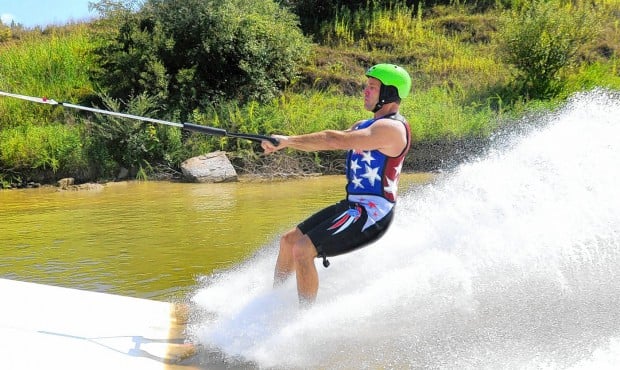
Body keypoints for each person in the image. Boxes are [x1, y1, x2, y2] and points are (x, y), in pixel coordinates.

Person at [261, 63, 412, 306]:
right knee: (288, 242)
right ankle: (272, 303)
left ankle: (302, 321)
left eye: (372, 87)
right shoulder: (364, 125)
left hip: (372, 213)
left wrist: (288, 141)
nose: (365, 91)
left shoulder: (391, 129)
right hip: (352, 205)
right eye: (367, 86)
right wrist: (282, 143)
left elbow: (334, 140)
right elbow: (327, 141)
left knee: (302, 249)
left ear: (390, 94)